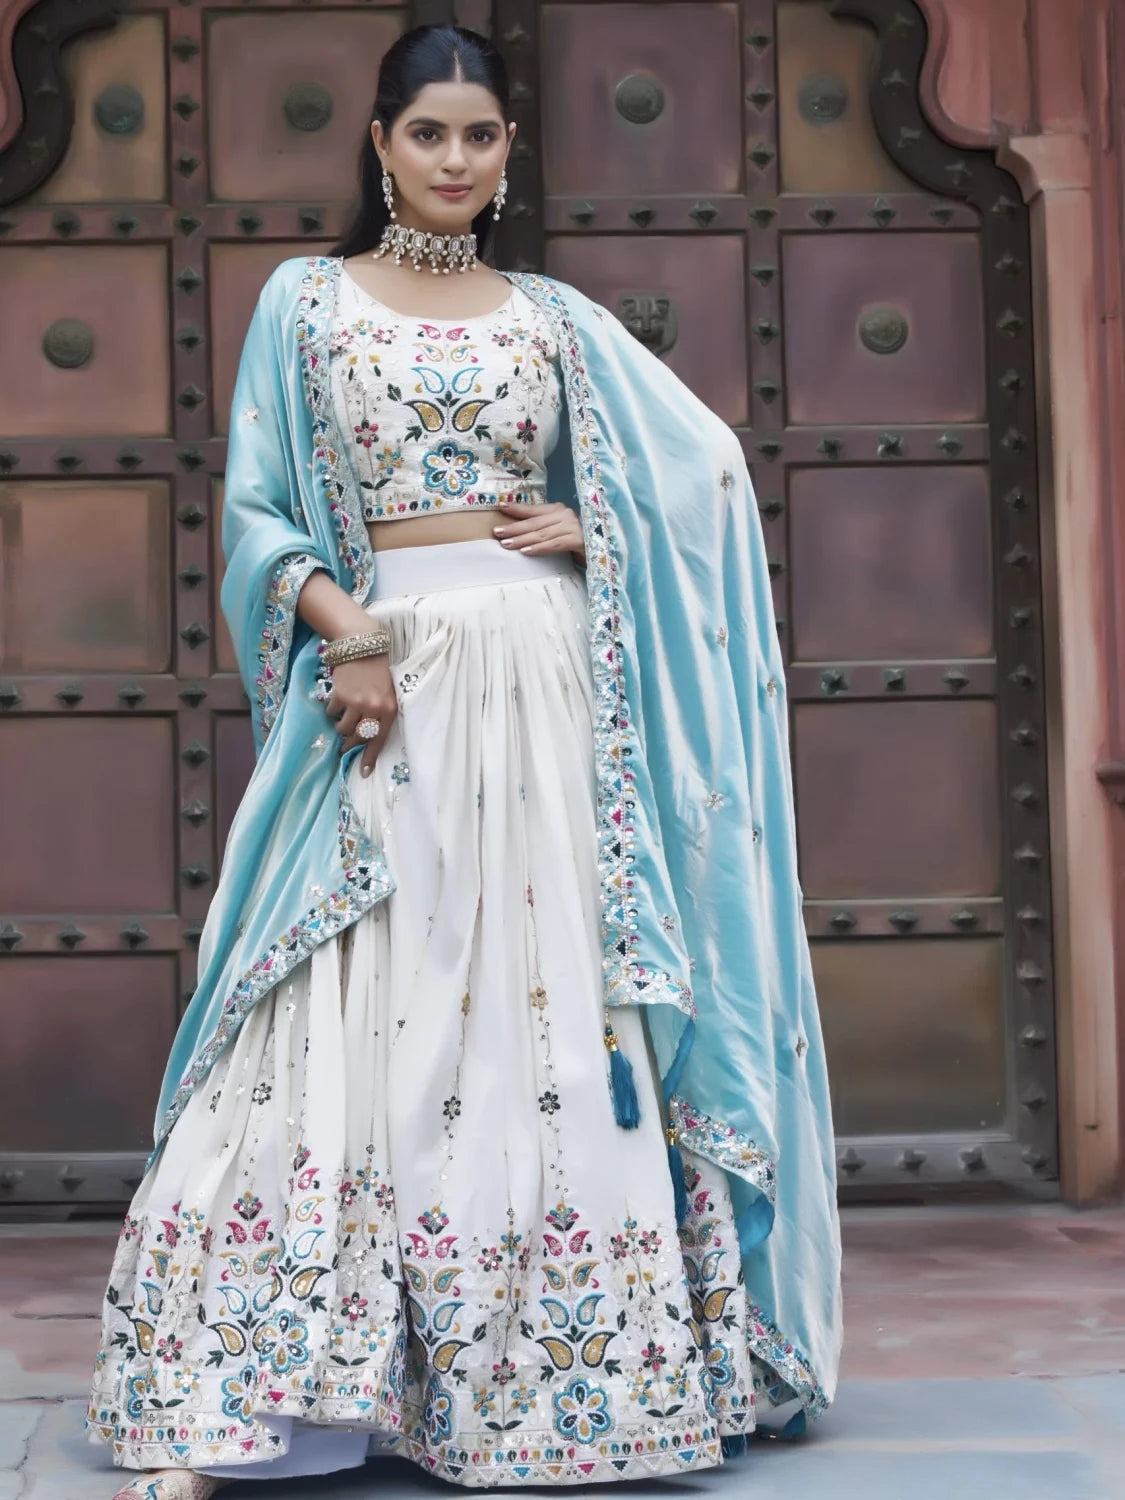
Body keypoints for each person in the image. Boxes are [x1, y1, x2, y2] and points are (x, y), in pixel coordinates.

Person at [86, 24, 842, 1497]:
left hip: (548, 688)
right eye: (424, 133)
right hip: (389, 671)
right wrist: (342, 630)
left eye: (476, 137)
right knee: (340, 996)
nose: (450, 160)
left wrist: (597, 528)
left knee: (542, 1006)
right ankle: (242, 1389)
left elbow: (701, 479)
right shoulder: (302, 305)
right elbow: (250, 511)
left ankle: (551, 1390)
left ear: (505, 156)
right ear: (378, 143)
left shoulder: (553, 320)